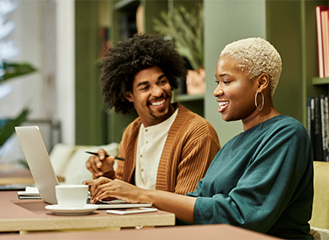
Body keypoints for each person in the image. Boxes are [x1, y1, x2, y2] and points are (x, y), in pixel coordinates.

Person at [84, 37, 314, 240]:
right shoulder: (233, 145)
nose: (216, 91)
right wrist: (116, 189)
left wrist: (141, 194)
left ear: (261, 83)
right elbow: (194, 202)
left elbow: (242, 215)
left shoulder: (286, 134)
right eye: (217, 82)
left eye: (227, 81)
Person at [85, 34, 221, 195]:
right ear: (129, 95)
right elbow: (122, 194)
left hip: (168, 221)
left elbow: (188, 205)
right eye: (145, 88)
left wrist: (137, 196)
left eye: (162, 82)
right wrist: (106, 173)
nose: (157, 92)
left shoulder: (197, 133)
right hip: (136, 220)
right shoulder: (132, 132)